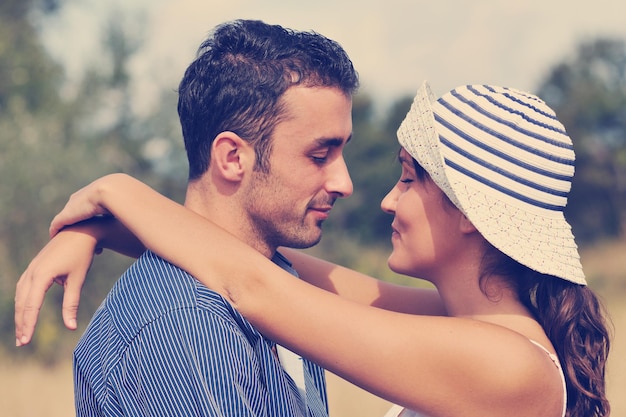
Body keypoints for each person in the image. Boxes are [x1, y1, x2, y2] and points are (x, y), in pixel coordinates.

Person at [15, 82, 611, 417]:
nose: (383, 199)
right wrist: (94, 230)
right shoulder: (474, 328)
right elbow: (258, 261)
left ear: (469, 214)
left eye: (409, 179)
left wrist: (116, 187)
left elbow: (254, 286)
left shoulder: (508, 366)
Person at [14, 18, 360, 417]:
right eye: (319, 156)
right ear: (232, 158)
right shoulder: (188, 324)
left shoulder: (279, 286)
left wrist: (107, 220)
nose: (343, 182)